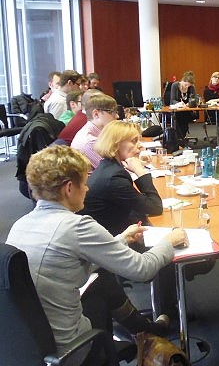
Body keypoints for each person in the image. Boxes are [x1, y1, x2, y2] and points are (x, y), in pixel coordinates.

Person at [6, 146, 186, 363]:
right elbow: (142, 269)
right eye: (84, 183)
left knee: (100, 279)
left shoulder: (21, 225)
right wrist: (169, 241)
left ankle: (143, 329)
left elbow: (66, 263)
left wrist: (120, 239)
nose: (88, 189)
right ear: (69, 188)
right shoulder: (76, 226)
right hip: (70, 350)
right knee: (101, 284)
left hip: (30, 343)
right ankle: (132, 338)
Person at [81, 120, 163, 234]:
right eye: (134, 141)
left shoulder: (107, 167)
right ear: (116, 145)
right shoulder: (114, 178)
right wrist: (140, 171)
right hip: (112, 239)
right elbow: (155, 207)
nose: (140, 145)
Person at [71, 93, 118, 170]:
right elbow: (113, 170)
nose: (117, 116)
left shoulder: (99, 132)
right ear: (96, 114)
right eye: (112, 112)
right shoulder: (89, 142)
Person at [169, 71, 198, 138]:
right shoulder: (175, 85)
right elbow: (172, 100)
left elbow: (195, 98)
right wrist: (179, 103)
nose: (187, 87)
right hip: (177, 110)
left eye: (189, 85)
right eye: (186, 85)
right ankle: (179, 137)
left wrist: (190, 103)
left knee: (184, 117)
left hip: (187, 110)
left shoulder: (191, 87)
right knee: (179, 117)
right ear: (182, 81)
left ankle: (181, 137)